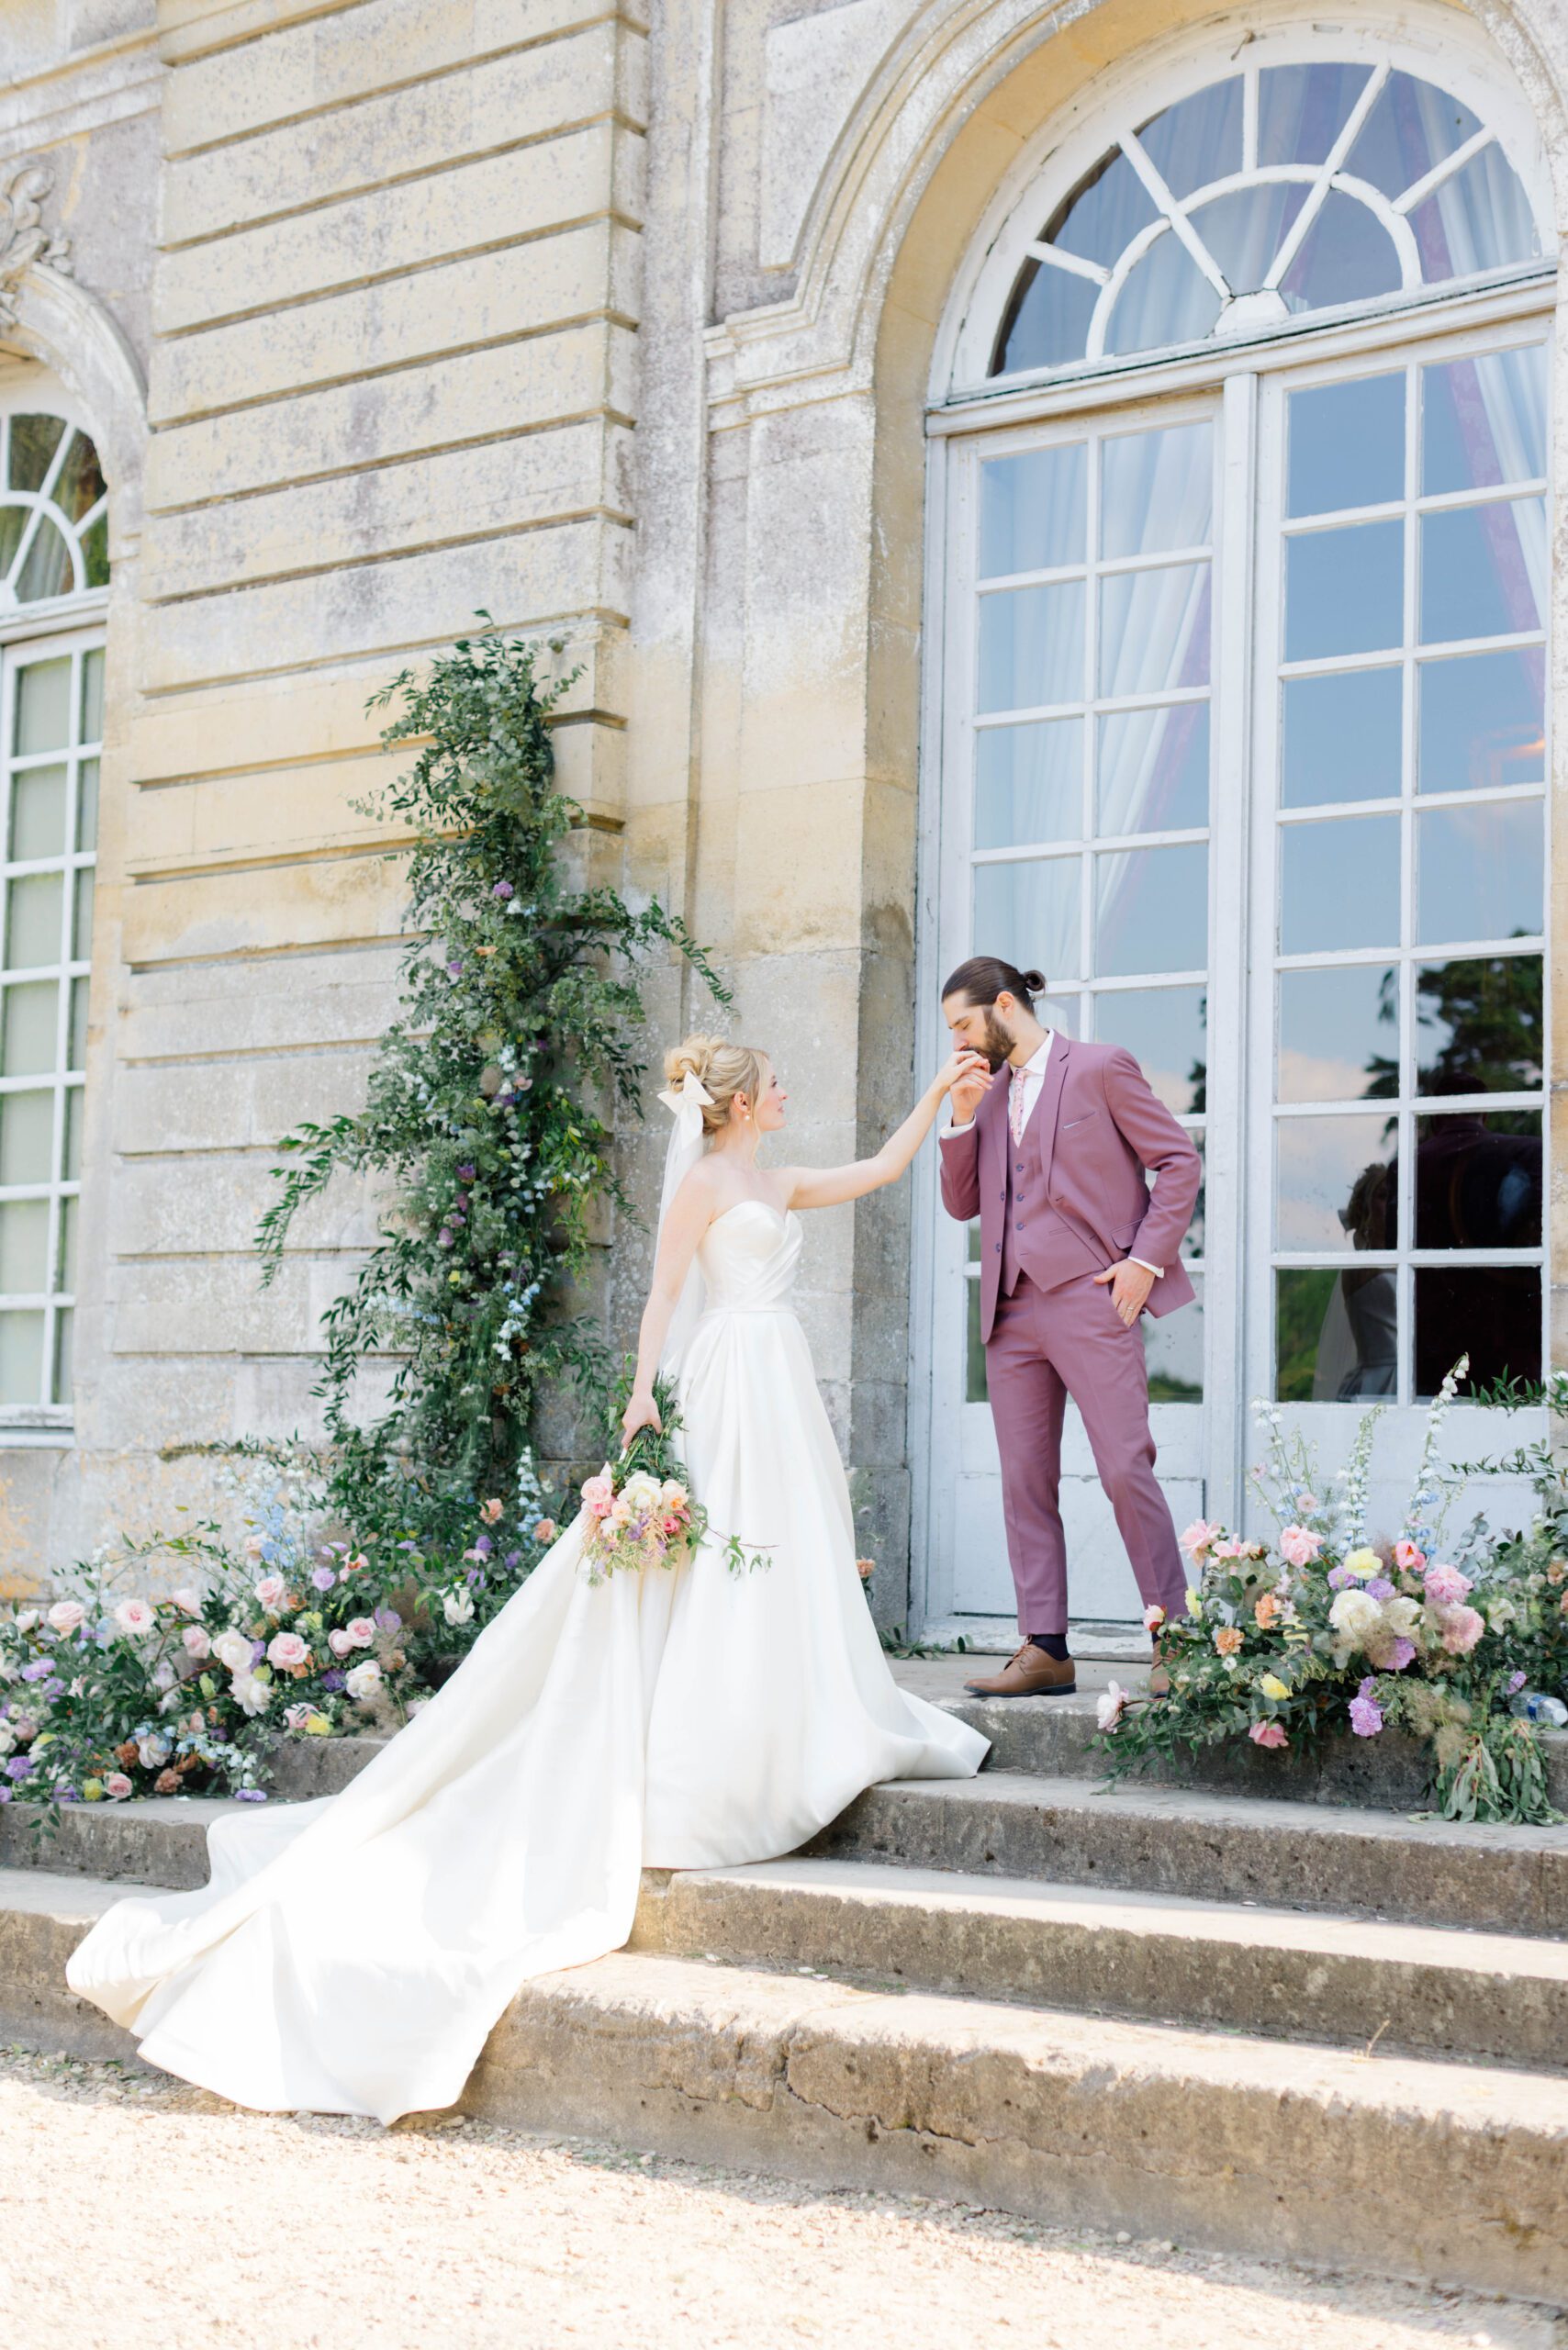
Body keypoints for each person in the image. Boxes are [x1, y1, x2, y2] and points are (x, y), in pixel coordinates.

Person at [66, 1035, 988, 2123]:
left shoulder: (774, 1179)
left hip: (778, 1380)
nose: (788, 1091)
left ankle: (799, 1710)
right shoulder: (702, 1185)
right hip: (725, 1379)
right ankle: (718, 1742)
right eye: (775, 1081)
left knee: (787, 1549)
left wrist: (937, 1091)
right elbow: (660, 1299)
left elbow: (880, 1171)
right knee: (715, 1554)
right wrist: (644, 1396)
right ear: (737, 1103)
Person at [937, 957, 1200, 1700]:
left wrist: (1145, 1261)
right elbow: (964, 1206)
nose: (957, 1038)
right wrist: (960, 1116)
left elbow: (1177, 1162)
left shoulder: (1100, 1068)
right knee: (1025, 1481)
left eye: (963, 1023)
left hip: (1092, 1298)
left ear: (1005, 1007)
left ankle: (1173, 1637)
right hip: (1009, 1309)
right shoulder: (983, 1092)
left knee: (1124, 1466)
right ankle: (1045, 1646)